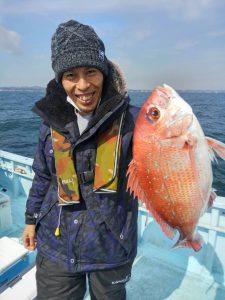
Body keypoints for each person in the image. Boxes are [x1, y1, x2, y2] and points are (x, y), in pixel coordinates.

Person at [22, 19, 139, 300]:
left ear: (105, 73)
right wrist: (30, 219)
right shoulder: (50, 121)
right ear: (60, 79)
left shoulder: (134, 121)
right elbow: (42, 175)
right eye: (71, 75)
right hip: (56, 241)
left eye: (91, 72)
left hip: (112, 243)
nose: (83, 85)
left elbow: (157, 171)